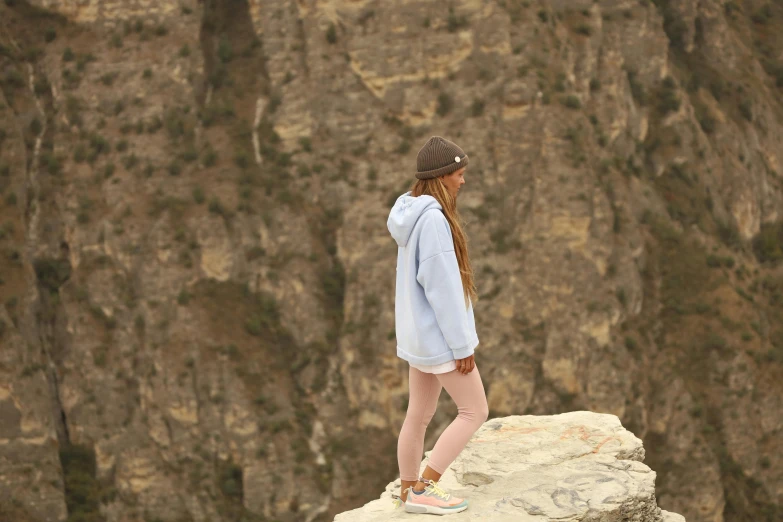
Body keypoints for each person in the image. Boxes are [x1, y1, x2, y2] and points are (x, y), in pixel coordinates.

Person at [386, 136, 489, 515]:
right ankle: (425, 488)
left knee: (419, 414)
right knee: (475, 412)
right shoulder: (433, 221)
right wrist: (463, 348)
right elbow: (443, 290)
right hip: (442, 341)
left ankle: (408, 486)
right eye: (459, 175)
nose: (463, 181)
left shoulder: (410, 213)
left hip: (419, 338)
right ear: (442, 176)